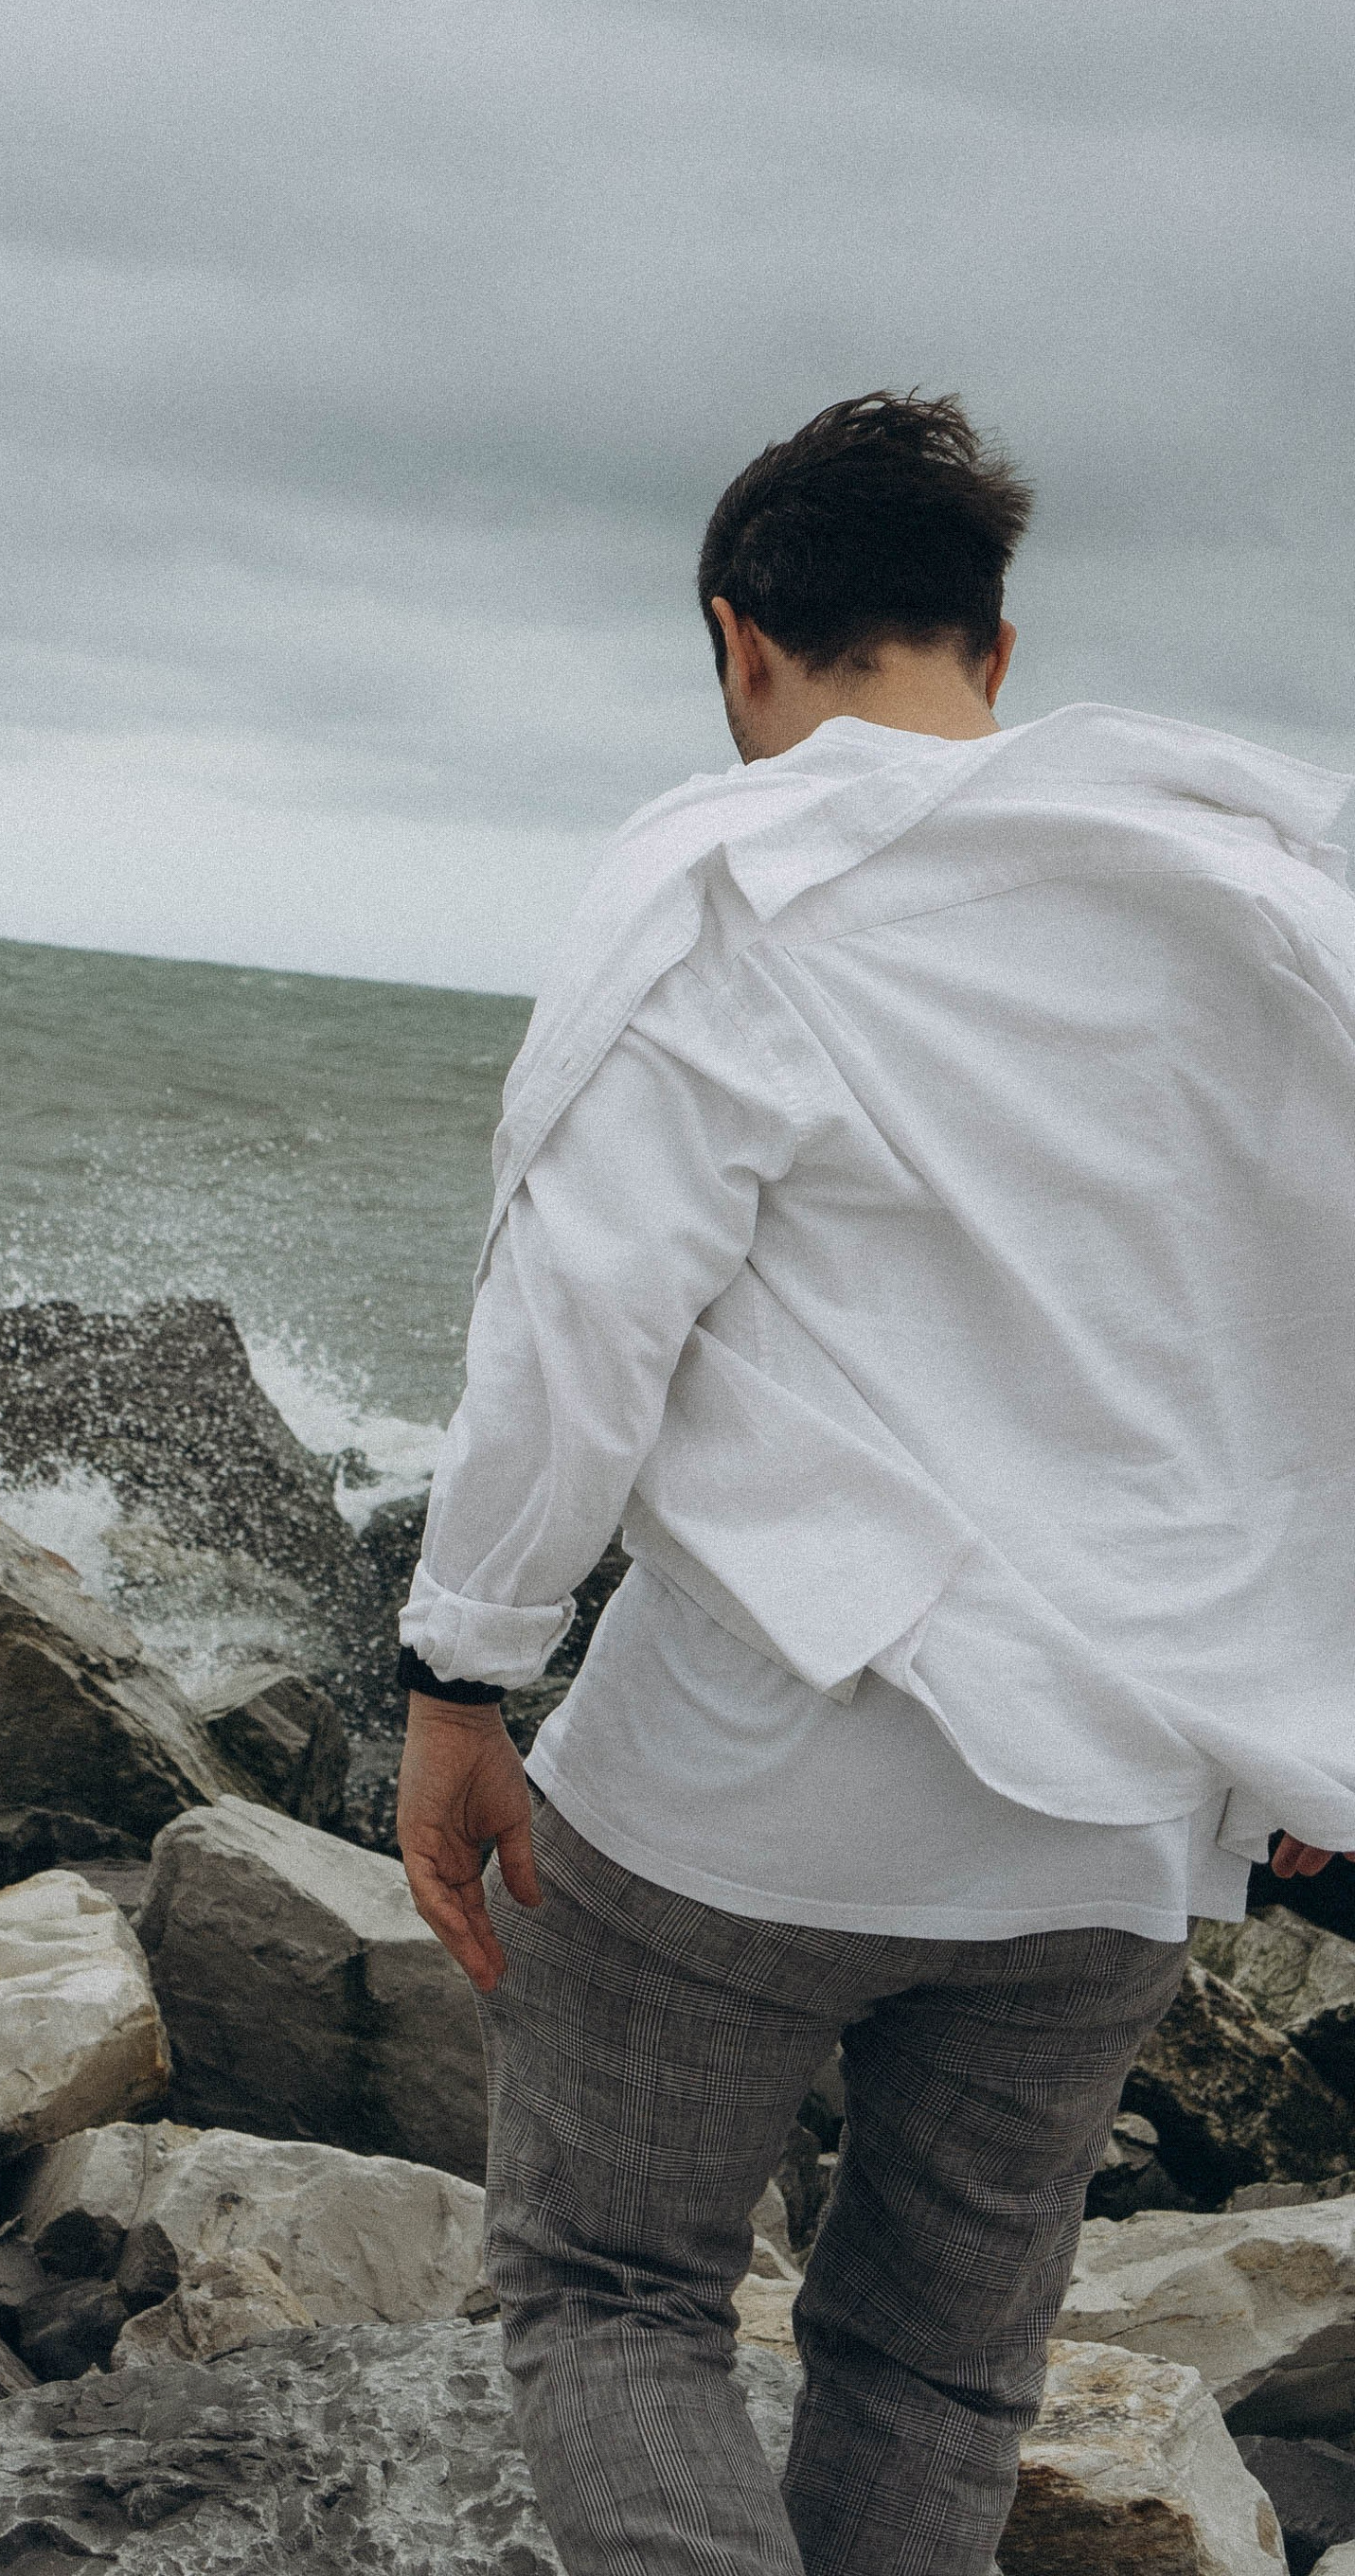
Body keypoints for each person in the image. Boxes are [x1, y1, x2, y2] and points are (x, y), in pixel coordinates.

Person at [394, 390, 1355, 2576]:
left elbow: (579, 1326)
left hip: (753, 1769)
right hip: (1109, 1809)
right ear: (991, 655)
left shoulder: (728, 884)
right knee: (936, 2372)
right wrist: (1311, 1691)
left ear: (740, 644)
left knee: (610, 2290)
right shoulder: (1254, 908)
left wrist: (460, 1673)